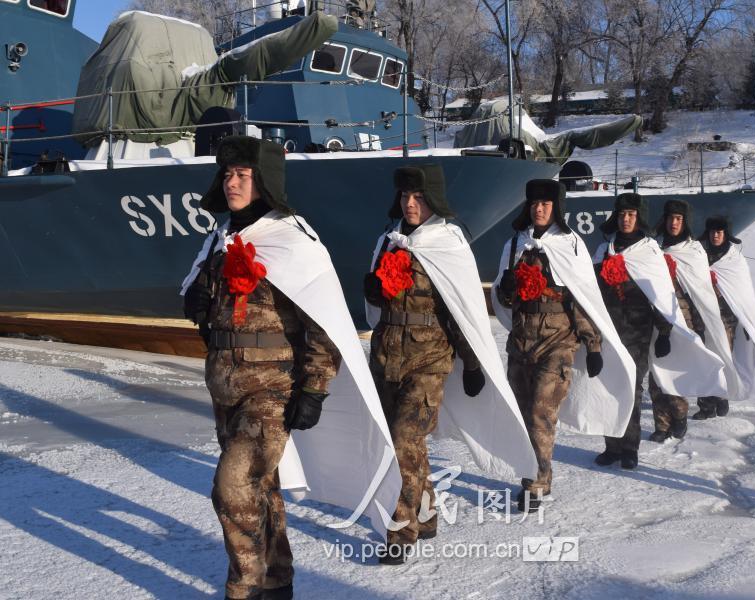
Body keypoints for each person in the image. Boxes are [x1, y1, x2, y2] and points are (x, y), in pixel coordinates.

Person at [182, 136, 400, 599]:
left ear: (263, 181)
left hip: (272, 388)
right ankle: (278, 579)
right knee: (261, 486)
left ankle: (245, 587)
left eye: (242, 175)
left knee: (232, 487)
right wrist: (196, 299)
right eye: (227, 174)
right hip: (225, 385)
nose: (232, 182)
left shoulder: (292, 239)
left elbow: (323, 322)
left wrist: (315, 389)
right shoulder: (220, 239)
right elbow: (206, 308)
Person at [364, 164, 537, 563]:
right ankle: (426, 514)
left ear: (434, 201)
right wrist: (372, 291)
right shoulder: (388, 242)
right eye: (405, 196)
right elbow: (378, 303)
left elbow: (462, 309)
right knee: (403, 443)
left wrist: (472, 363)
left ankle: (401, 530)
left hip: (429, 361)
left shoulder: (448, 243)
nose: (410, 204)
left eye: (419, 197)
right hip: (386, 357)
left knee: (404, 439)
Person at [492, 179, 635, 512]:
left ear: (556, 208)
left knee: (541, 412)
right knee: (523, 413)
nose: (539, 209)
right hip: (521, 342)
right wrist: (506, 290)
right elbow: (505, 300)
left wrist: (593, 344)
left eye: (545, 204)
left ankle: (534, 483)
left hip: (558, 342)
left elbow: (581, 297)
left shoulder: (571, 245)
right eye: (534, 203)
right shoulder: (515, 245)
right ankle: (539, 473)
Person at [592, 194, 725, 469]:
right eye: (622, 214)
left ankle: (629, 448)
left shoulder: (649, 251)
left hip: (638, 330)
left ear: (638, 217)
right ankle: (612, 446)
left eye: (631, 214)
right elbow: (591, 291)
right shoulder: (604, 250)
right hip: (609, 330)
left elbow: (662, 295)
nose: (626, 219)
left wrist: (664, 332)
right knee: (608, 387)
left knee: (631, 387)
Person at [651, 201, 741, 441]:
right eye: (670, 218)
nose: (673, 223)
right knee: (656, 376)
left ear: (685, 222)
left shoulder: (693, 251)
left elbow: (701, 292)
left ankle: (689, 408)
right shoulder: (653, 248)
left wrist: (701, 328)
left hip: (685, 323)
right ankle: (662, 426)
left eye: (679, 219)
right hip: (655, 320)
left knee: (678, 371)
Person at [696, 216, 755, 419]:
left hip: (727, 320)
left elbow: (744, 294)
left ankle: (723, 395)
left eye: (719, 232)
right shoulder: (698, 256)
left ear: (726, 234)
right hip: (703, 317)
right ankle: (706, 405)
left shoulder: (734, 260)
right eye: (712, 231)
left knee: (724, 359)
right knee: (706, 361)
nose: (715, 235)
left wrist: (748, 322)